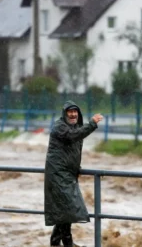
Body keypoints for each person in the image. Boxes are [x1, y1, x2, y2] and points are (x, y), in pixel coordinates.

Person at [44, 100, 104, 247]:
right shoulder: (60, 127)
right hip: (58, 175)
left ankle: (57, 243)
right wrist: (91, 124)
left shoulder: (74, 127)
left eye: (75, 111)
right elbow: (73, 136)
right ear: (64, 114)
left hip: (67, 175)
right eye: (70, 112)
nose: (72, 114)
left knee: (66, 211)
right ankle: (65, 243)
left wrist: (77, 169)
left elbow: (72, 151)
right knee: (67, 210)